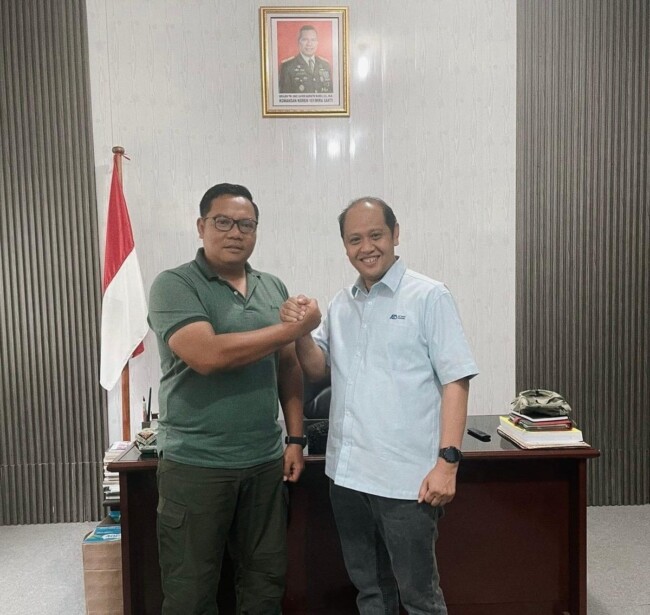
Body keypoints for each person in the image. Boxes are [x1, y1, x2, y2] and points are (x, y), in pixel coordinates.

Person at [280, 197, 479, 614]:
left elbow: (456, 380)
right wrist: (301, 330)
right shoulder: (342, 303)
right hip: (347, 477)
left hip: (407, 482)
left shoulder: (429, 296)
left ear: (395, 234)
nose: (366, 247)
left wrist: (448, 463)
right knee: (370, 592)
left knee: (419, 597)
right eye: (355, 239)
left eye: (375, 235)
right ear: (345, 246)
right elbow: (318, 369)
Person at [148, 183, 321, 615]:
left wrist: (295, 439)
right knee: (190, 592)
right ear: (201, 226)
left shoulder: (271, 285)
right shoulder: (173, 285)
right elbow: (208, 355)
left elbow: (289, 368)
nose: (234, 232)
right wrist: (293, 329)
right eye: (222, 222)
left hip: (264, 463)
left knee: (264, 584)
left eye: (246, 224)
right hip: (195, 465)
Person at [279, 25, 332, 94]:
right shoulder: (287, 67)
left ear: (317, 43)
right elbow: (284, 99)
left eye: (313, 40)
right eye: (305, 40)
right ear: (299, 42)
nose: (309, 44)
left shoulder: (325, 65)